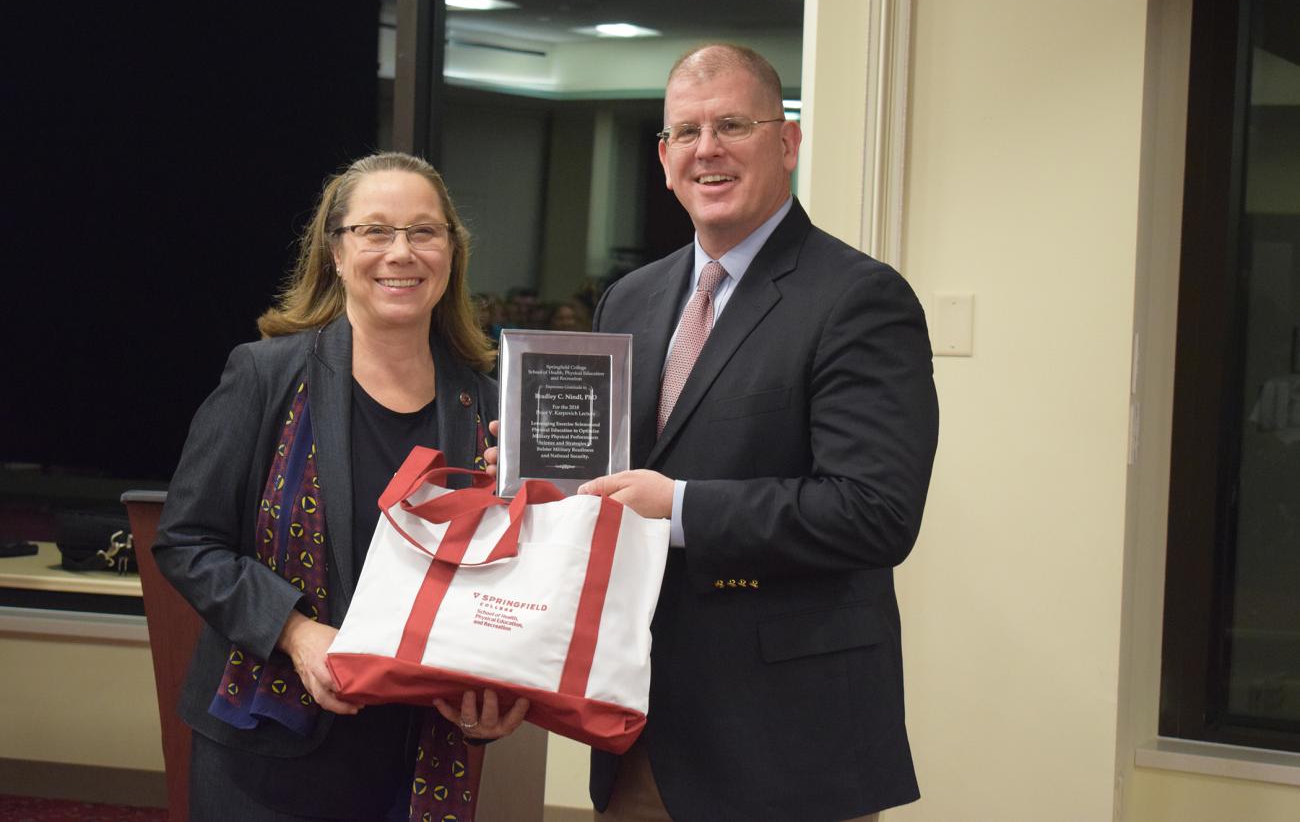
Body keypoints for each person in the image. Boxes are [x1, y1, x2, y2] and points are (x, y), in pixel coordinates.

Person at [576, 45, 940, 820]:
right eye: (686, 132)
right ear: (665, 158)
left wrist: (678, 508)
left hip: (788, 746)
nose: (707, 149)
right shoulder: (630, 301)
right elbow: (612, 483)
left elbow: (873, 510)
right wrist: (548, 465)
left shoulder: (859, 299)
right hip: (640, 732)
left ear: (788, 142)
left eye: (732, 124)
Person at [154, 152, 528, 822]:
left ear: (451, 250)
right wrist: (296, 632)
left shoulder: (490, 405)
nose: (401, 253)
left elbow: (513, 586)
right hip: (267, 750)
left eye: (424, 231)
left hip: (418, 750)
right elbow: (187, 541)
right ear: (334, 250)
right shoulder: (265, 376)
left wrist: (495, 696)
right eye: (375, 230)